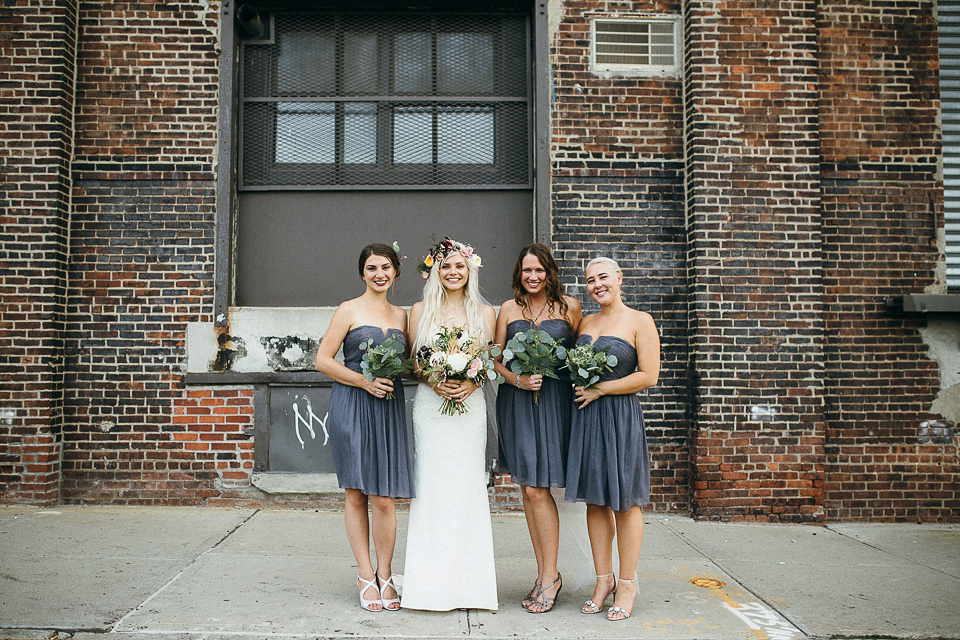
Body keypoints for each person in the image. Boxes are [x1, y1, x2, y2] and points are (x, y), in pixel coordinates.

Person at [401, 237, 499, 611]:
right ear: (434, 272)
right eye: (445, 266)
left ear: (470, 269)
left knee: (466, 487)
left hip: (470, 409)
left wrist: (472, 380)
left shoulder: (485, 313)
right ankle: (430, 584)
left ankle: (471, 587)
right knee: (432, 487)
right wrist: (433, 379)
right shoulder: (419, 309)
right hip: (431, 407)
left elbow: (491, 361)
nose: (453, 272)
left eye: (459, 265)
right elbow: (412, 363)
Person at [315, 243, 413, 613]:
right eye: (372, 268)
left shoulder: (403, 316)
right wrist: (363, 381)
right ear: (362, 274)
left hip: (387, 407)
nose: (379, 274)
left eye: (386, 267)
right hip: (353, 404)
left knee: (384, 497)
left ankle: (386, 574)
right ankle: (364, 572)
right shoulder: (349, 309)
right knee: (356, 493)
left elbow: (410, 366)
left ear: (395, 272)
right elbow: (323, 360)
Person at [564, 257, 660, 621]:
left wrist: (601, 389)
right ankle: (602, 580)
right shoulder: (586, 322)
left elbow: (649, 376)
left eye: (603, 277)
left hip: (619, 418)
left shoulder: (640, 321)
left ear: (619, 278)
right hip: (586, 419)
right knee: (595, 501)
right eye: (590, 280)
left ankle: (627, 583)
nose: (597, 284)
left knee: (625, 502)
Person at [493, 244, 581, 614]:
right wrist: (516, 380)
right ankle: (546, 574)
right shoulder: (508, 310)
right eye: (527, 270)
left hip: (556, 402)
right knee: (529, 488)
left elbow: (581, 355)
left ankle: (549, 576)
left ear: (550, 272)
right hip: (518, 401)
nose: (533, 277)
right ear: (519, 273)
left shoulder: (570, 308)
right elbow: (493, 359)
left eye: (539, 270)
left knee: (539, 488)